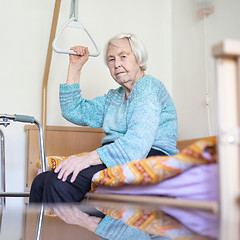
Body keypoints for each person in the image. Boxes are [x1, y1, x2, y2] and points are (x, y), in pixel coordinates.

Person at [30, 33, 178, 203]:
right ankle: (40, 229)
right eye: (111, 59)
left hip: (148, 158)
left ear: (140, 60)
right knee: (41, 182)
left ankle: (67, 229)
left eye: (123, 56)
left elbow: (137, 145)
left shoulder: (148, 86)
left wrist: (86, 159)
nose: (117, 64)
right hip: (118, 158)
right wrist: (75, 67)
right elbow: (74, 111)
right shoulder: (114, 97)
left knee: (61, 182)